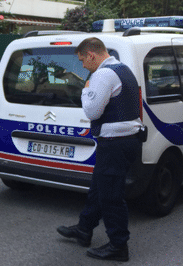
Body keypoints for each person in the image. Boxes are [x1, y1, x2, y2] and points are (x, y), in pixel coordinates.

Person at [57, 37, 142, 262]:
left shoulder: (103, 75)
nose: (83, 65)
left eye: (82, 60)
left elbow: (93, 112)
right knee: (98, 188)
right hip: (124, 141)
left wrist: (85, 91)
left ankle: (118, 245)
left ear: (91, 55)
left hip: (115, 143)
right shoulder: (123, 69)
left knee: (111, 196)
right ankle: (84, 228)